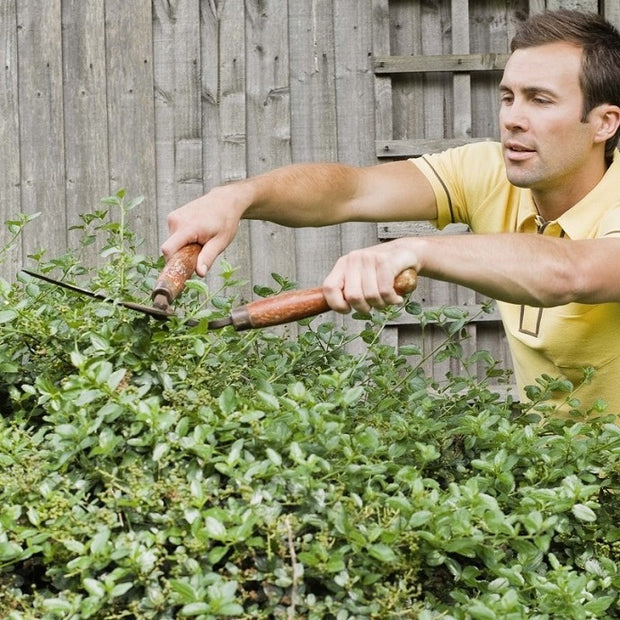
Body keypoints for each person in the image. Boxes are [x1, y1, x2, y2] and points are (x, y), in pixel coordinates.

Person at [162, 9, 620, 419]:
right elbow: (350, 191)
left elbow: (570, 272)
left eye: (540, 100)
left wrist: (414, 250)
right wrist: (239, 197)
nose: (513, 119)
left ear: (604, 122)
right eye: (508, 97)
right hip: (554, 485)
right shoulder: (487, 171)